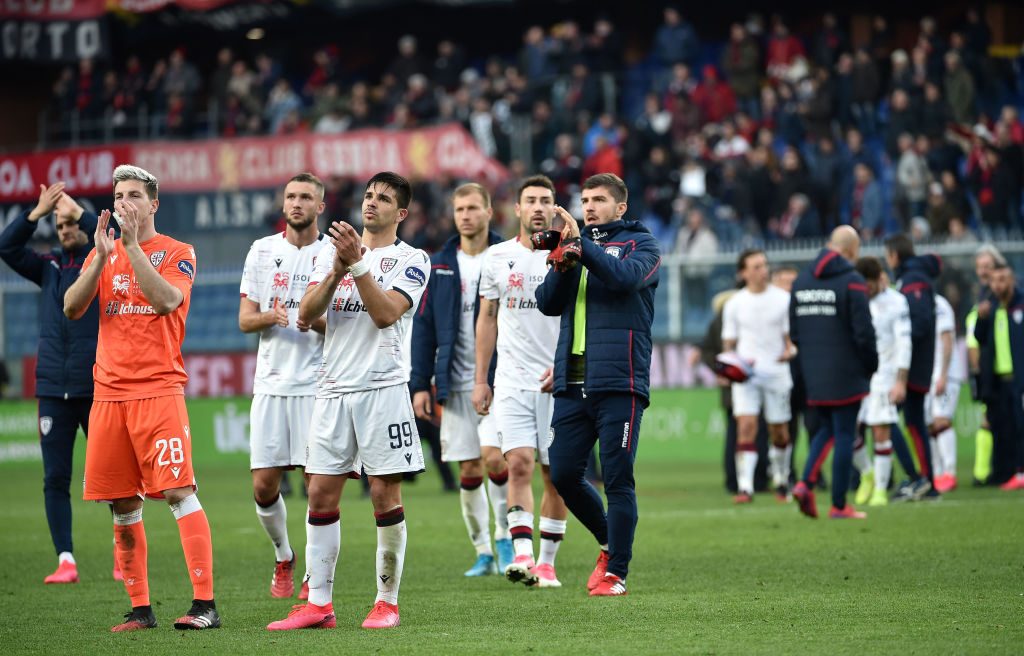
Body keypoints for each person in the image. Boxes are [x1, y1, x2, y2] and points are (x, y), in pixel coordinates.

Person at [268, 172, 430, 631]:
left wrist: (357, 265)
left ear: (400, 213)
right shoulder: (328, 253)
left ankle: (386, 602)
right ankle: (319, 604)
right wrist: (339, 266)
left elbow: (384, 315)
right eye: (368, 196)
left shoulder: (411, 259)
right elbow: (305, 312)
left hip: (382, 387)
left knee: (383, 493)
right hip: (334, 388)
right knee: (319, 491)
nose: (371, 203)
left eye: (383, 199)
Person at [63, 164, 218, 631]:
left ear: (153, 203)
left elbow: (167, 301)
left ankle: (204, 604)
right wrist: (101, 256)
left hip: (157, 389)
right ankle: (141, 609)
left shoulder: (177, 252)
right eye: (118, 195)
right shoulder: (102, 253)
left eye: (134, 195)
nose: (124, 202)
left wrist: (130, 249)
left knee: (176, 491)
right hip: (108, 394)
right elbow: (72, 308)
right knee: (122, 502)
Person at [537, 172, 661, 597]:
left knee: (617, 479)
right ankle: (611, 542)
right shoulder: (576, 246)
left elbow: (625, 279)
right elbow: (548, 303)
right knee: (564, 471)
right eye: (585, 200)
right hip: (572, 379)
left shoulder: (642, 245)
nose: (588, 207)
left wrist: (581, 246)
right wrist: (562, 261)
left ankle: (616, 573)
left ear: (620, 207)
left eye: (599, 200)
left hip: (619, 380)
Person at [0, 183, 107, 584]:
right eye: (58, 224)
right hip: (52, 390)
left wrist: (76, 210)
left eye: (69, 222)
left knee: (112, 475)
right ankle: (66, 559)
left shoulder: (103, 260)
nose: (63, 229)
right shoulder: (47, 267)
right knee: (55, 479)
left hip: (95, 387)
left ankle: (122, 552)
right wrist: (36, 212)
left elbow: (109, 233)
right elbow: (6, 248)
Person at [409, 183, 514, 577]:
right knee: (469, 468)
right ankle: (483, 550)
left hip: (502, 380)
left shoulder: (507, 257)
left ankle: (505, 537)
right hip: (453, 383)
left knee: (494, 458)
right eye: (460, 209)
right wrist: (420, 383)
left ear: (490, 212)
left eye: (473, 208)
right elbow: (424, 328)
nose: (466, 215)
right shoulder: (439, 264)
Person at [472, 175, 569, 588]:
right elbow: (487, 318)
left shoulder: (569, 255)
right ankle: (524, 555)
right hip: (511, 380)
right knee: (518, 464)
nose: (538, 207)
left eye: (545, 201)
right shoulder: (496, 258)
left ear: (555, 208)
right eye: (530, 200)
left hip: (558, 381)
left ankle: (547, 563)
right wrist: (481, 378)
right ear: (517, 209)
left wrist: (565, 366)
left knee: (557, 475)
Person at [239, 173, 327, 599]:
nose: (297, 203)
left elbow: (346, 323)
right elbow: (244, 320)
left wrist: (314, 319)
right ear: (283, 203)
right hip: (271, 385)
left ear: (319, 206)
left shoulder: (331, 254)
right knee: (263, 485)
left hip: (318, 386)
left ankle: (314, 574)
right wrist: (271, 317)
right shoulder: (262, 250)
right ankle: (283, 555)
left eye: (306, 197)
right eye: (291, 196)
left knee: (317, 485)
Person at [790, 226, 878, 519]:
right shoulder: (852, 281)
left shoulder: (801, 281)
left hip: (813, 371)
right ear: (852, 250)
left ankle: (805, 483)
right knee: (844, 433)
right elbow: (863, 332)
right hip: (846, 371)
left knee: (826, 429)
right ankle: (839, 505)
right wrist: (870, 365)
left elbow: (795, 332)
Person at [720, 249, 795, 503]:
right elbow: (729, 344)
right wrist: (728, 367)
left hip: (776, 372)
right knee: (746, 426)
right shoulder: (735, 304)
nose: (763, 270)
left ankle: (782, 480)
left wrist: (789, 351)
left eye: (764, 265)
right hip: (747, 375)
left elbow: (791, 341)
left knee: (780, 432)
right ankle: (746, 487)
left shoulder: (783, 299)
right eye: (756, 266)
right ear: (743, 273)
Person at [885, 234, 943, 502]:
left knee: (889, 418)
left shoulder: (913, 279)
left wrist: (900, 348)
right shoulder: (913, 277)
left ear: (895, 254)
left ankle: (921, 479)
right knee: (910, 421)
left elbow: (918, 322)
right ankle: (923, 480)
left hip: (912, 364)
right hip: (915, 362)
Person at [851, 258, 911, 507]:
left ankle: (880, 490)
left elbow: (904, 344)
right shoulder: (853, 299)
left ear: (879, 279)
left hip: (884, 375)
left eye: (870, 285)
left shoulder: (896, 303)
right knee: (850, 431)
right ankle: (868, 472)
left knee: (880, 431)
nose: (866, 290)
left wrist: (900, 381)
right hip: (855, 375)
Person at [973, 263, 1024, 490]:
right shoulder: (990, 309)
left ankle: (1020, 471)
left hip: (1019, 378)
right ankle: (1004, 473)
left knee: (1020, 426)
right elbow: (979, 339)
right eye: (994, 280)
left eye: (1003, 279)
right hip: (998, 379)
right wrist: (981, 319)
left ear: (1012, 280)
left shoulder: (1019, 306)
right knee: (1002, 427)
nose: (998, 284)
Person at [965, 245, 1004, 485]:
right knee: (990, 418)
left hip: (1004, 368)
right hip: (988, 369)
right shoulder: (981, 297)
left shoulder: (1005, 296)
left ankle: (998, 470)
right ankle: (988, 472)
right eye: (980, 267)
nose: (983, 271)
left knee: (998, 420)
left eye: (987, 266)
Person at [927, 294, 963, 492]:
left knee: (941, 420)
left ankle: (949, 472)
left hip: (946, 374)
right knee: (930, 425)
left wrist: (943, 374)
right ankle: (937, 473)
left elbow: (947, 338)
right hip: (928, 375)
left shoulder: (939, 304)